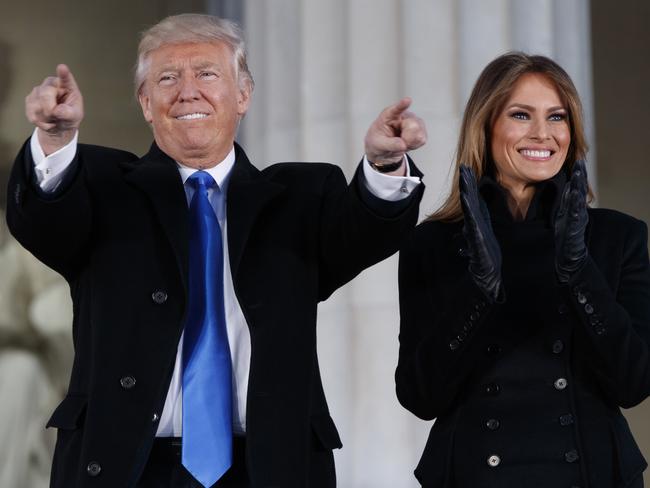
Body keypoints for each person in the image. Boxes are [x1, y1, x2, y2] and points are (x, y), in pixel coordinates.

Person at [6, 13, 427, 488]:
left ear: (243, 94)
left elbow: (365, 232)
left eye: (206, 74)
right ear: (146, 103)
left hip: (267, 467)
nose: (188, 91)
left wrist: (384, 163)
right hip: (128, 466)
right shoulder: (102, 189)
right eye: (168, 78)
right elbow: (45, 221)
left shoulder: (301, 196)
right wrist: (56, 139)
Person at [395, 52, 650, 488]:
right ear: (486, 126)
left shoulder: (617, 237)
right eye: (520, 115)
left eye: (557, 117)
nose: (543, 134)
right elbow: (421, 395)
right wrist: (478, 290)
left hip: (592, 475)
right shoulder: (432, 243)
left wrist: (579, 270)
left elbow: (634, 383)